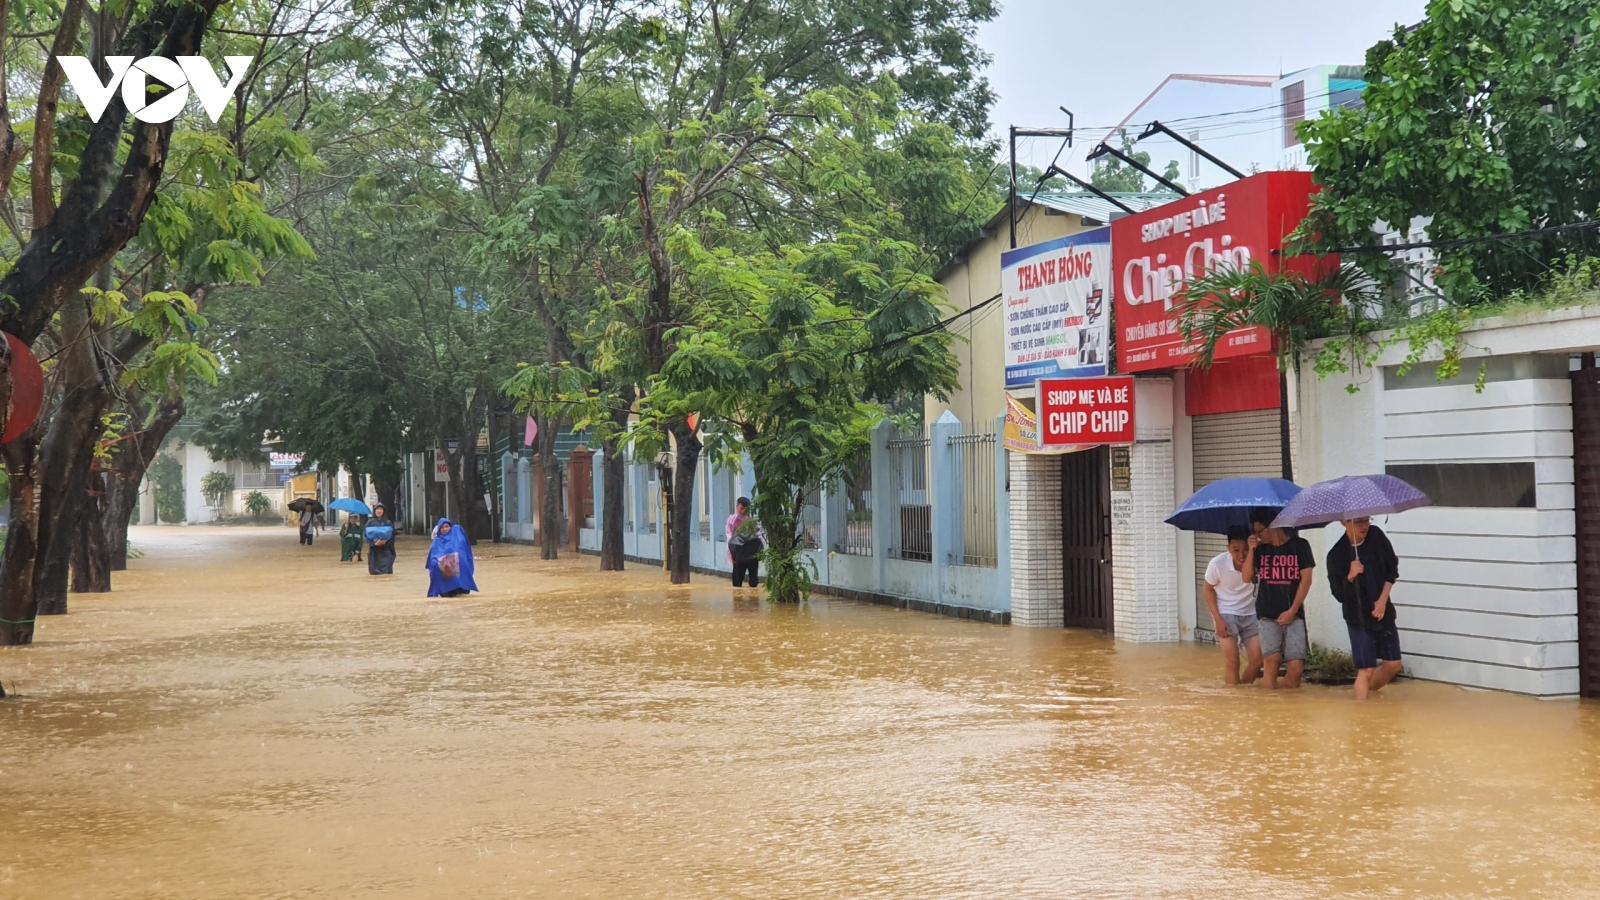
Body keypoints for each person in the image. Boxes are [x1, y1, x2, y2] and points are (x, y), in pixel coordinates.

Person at [1327, 516, 1404, 700]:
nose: (1364, 526)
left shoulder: (1376, 536)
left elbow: (1391, 571)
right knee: (1366, 669)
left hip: (1383, 611)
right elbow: (1339, 595)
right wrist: (1350, 577)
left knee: (1393, 665)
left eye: (1366, 520)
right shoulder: (1336, 554)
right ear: (1344, 522)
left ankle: (1367, 697)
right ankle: (1361, 713)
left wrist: (1382, 601)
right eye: (1358, 522)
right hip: (1358, 617)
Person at [1243, 507, 1315, 689]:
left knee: (1296, 668)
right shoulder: (1261, 550)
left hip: (1294, 614)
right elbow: (1245, 577)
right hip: (1266, 614)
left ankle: (1286, 707)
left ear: (1273, 526)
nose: (1258, 536)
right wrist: (1251, 550)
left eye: (1259, 531)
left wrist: (1292, 610)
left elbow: (1306, 580)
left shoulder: (1300, 546)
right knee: (1271, 663)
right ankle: (1270, 710)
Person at [1203, 526, 1263, 685]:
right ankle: (1233, 699)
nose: (1241, 555)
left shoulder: (1259, 560)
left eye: (1245, 549)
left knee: (1257, 661)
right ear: (1228, 548)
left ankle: (1243, 693)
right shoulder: (1217, 564)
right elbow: (1208, 590)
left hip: (1252, 613)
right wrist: (1218, 619)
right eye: (1235, 550)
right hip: (1226, 613)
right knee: (1233, 661)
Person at [426, 518, 478, 597]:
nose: (445, 529)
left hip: (459, 581)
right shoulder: (436, 542)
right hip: (444, 580)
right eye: (442, 527)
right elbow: (432, 558)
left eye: (447, 526)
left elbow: (464, 553)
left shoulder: (458, 537)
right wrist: (441, 563)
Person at [726, 496, 762, 588]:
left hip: (751, 551)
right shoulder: (732, 520)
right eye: (741, 508)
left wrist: (761, 550)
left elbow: (758, 534)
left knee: (754, 580)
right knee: (737, 581)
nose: (743, 511)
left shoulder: (752, 520)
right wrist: (730, 553)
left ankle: (753, 600)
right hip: (739, 551)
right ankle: (737, 601)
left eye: (745, 509)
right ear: (737, 506)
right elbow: (729, 536)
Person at [366, 502, 397, 575]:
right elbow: (366, 536)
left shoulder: (388, 522)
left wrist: (385, 542)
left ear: (384, 511)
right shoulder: (370, 523)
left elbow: (393, 536)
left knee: (386, 573)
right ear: (375, 511)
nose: (379, 511)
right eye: (377, 509)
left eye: (381, 509)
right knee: (374, 574)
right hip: (374, 553)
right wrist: (374, 543)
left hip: (386, 551)